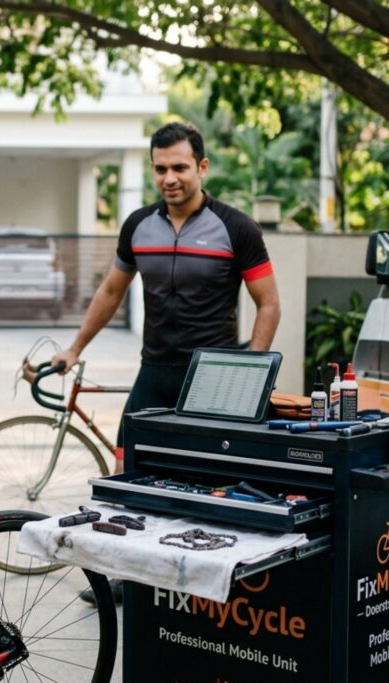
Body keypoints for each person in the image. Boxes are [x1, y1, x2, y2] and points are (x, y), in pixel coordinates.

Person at [51, 121, 280, 603]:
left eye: (179, 167)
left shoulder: (236, 227)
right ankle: (127, 575)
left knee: (211, 480)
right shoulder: (138, 225)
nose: (169, 177)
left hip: (215, 374)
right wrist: (75, 348)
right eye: (160, 168)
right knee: (127, 470)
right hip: (154, 368)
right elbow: (111, 290)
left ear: (201, 167)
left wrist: (253, 372)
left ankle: (212, 580)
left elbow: (269, 303)